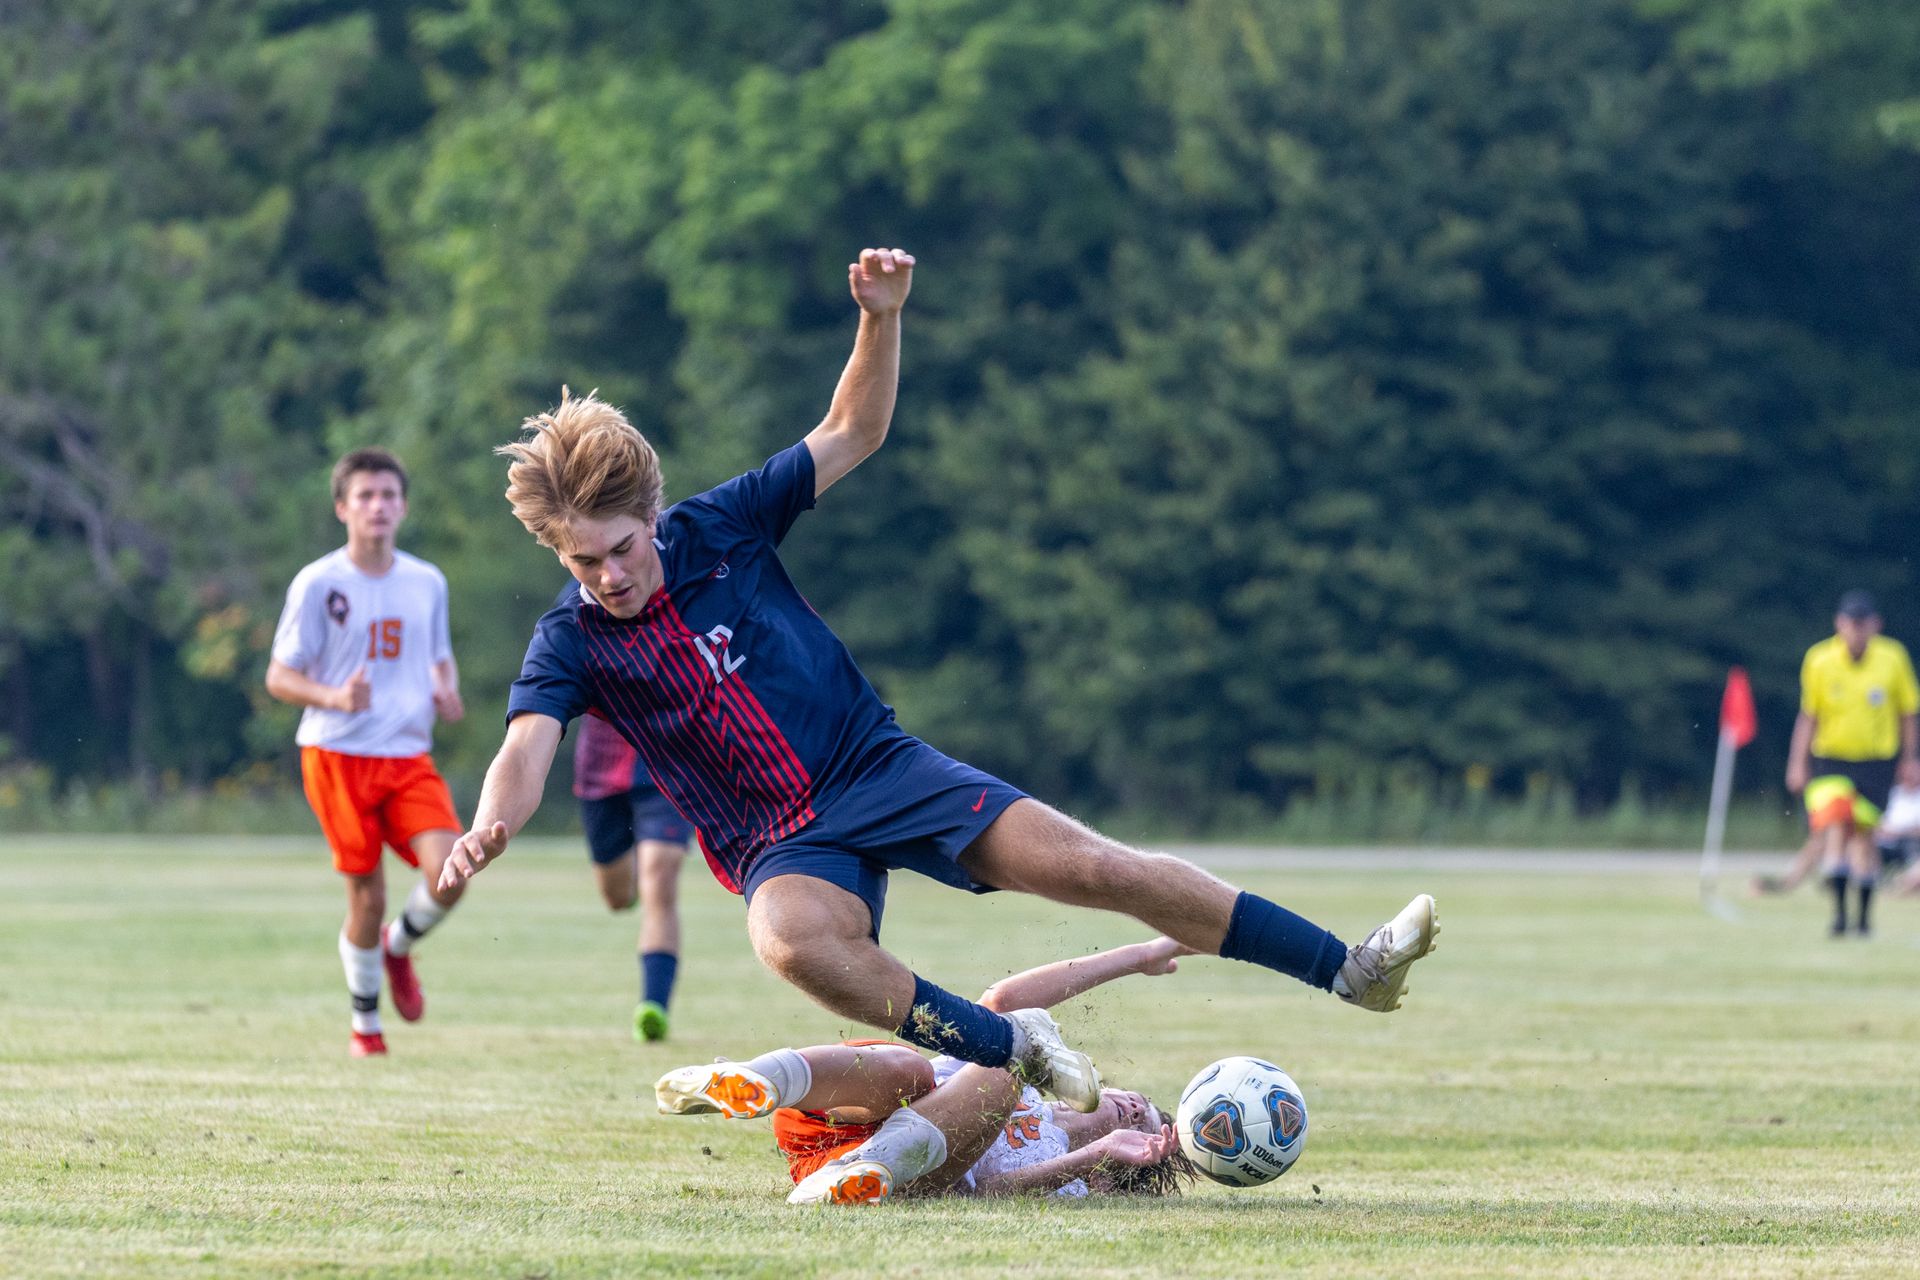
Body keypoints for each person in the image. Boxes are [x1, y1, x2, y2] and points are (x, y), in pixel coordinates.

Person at [438, 246, 1440, 1109]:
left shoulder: (723, 525)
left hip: (877, 765)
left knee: (1097, 868)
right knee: (787, 939)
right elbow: (525, 749)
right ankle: (1013, 1044)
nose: (608, 575)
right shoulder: (570, 638)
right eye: (584, 562)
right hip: (776, 839)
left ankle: (1350, 969)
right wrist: (491, 823)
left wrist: (881, 320)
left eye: (618, 548)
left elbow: (853, 430)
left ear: (649, 516)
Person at [653, 936, 1200, 1204]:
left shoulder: (1070, 1173)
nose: (1134, 1107)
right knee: (913, 1067)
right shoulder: (1038, 1079)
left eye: (1140, 1122)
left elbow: (989, 1190)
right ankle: (762, 1079)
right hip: (844, 1106)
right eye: (1139, 1099)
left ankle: (853, 1171)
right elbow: (1005, 997)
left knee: (1000, 1075)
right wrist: (1141, 956)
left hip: (899, 1174)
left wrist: (1097, 1154)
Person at [267, 447, 468, 1056]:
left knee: (452, 871)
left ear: (403, 507)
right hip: (336, 758)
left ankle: (397, 946)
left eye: (388, 495)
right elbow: (279, 676)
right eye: (365, 496)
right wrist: (333, 695)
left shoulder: (426, 581)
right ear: (342, 508)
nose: (378, 506)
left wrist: (446, 684)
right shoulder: (320, 583)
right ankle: (366, 1027)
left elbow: (438, 655)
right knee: (367, 895)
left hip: (408, 757)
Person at [1785, 589, 1920, 936]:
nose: (1856, 631)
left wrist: (1910, 759)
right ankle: (1839, 917)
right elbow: (1808, 715)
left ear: (1875, 625)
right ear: (1839, 624)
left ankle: (1861, 920)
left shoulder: (1893, 657)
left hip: (1876, 761)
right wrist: (1797, 762)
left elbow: (1907, 712)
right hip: (1831, 760)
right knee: (1836, 826)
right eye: (1851, 623)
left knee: (1863, 837)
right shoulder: (1819, 659)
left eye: (1863, 624)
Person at [573, 711, 693, 1041]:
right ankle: (640, 876)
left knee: (659, 880)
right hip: (600, 768)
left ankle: (653, 1007)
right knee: (618, 897)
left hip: (668, 764)